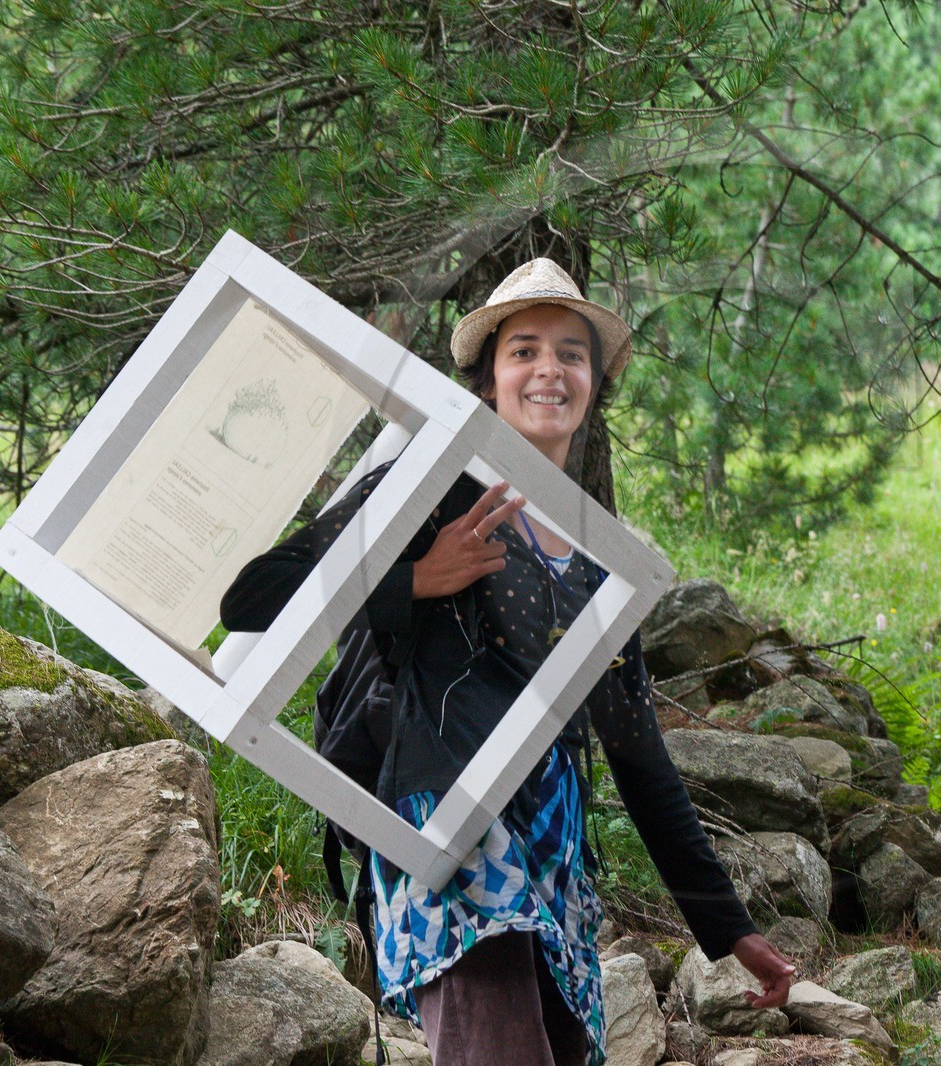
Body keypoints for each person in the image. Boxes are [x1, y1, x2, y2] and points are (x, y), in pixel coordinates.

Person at [221, 259, 795, 1066]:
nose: (548, 370)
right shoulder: (429, 488)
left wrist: (729, 928)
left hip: (555, 859)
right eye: (523, 349)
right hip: (446, 832)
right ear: (490, 378)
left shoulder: (602, 563)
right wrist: (417, 577)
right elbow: (251, 597)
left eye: (571, 352)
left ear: (594, 381)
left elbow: (639, 755)